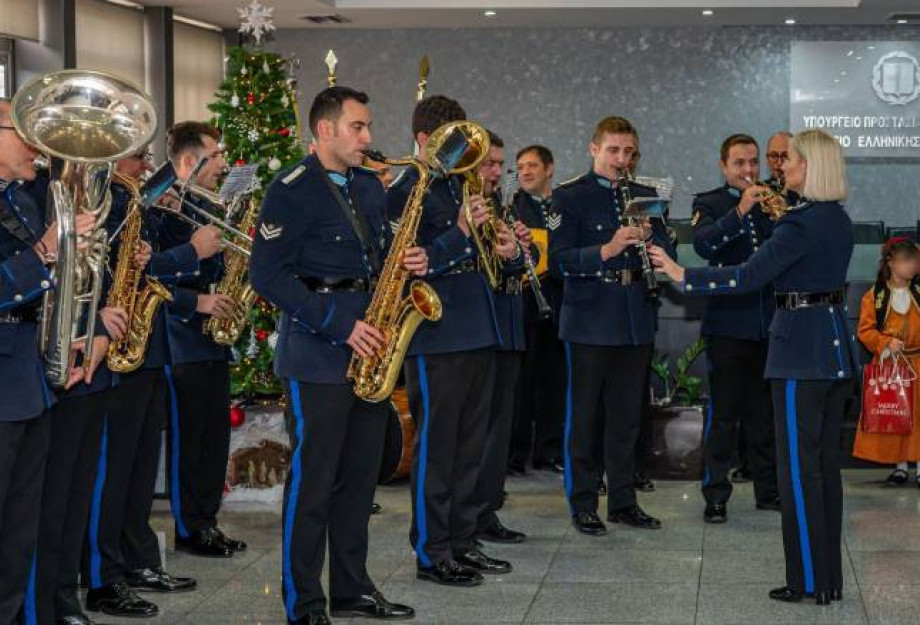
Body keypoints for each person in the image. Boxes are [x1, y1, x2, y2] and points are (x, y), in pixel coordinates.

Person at [651, 129, 858, 606]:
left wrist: (683, 274)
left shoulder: (801, 223)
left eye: (793, 161)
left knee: (798, 473)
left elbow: (748, 276)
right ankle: (827, 579)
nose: (783, 167)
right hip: (830, 349)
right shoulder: (837, 220)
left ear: (812, 166)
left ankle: (806, 581)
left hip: (797, 352)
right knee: (824, 470)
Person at [251, 86, 417, 624]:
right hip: (319, 354)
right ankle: (304, 601)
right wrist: (340, 325)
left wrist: (409, 258)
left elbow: (377, 258)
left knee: (358, 480)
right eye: (358, 127)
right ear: (326, 130)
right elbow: (267, 275)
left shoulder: (369, 186)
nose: (368, 137)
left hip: (370, 353)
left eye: (367, 127)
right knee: (314, 482)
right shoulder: (290, 189)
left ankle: (352, 588)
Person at [85, 152, 223, 618]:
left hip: (148, 347)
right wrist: (189, 253)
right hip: (116, 351)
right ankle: (103, 577)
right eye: (138, 155)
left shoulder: (138, 204)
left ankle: (138, 559)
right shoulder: (103, 201)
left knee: (141, 468)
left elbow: (151, 271)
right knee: (113, 469)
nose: (147, 165)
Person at [388, 95, 518, 586]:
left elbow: (478, 256)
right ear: (424, 141)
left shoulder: (459, 184)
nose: (463, 153)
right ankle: (431, 548)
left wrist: (501, 245)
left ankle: (463, 540)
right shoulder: (405, 189)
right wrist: (463, 232)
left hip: (478, 326)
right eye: (451, 143)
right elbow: (405, 259)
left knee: (470, 446)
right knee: (437, 447)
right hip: (435, 332)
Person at [551, 115, 675, 536]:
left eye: (628, 153)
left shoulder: (646, 196)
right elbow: (560, 260)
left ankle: (624, 501)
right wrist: (608, 248)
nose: (621, 160)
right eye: (613, 151)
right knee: (585, 417)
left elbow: (669, 248)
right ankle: (583, 502)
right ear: (594, 149)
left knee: (627, 418)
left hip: (634, 317)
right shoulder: (570, 197)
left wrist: (655, 241)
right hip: (589, 318)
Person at [0, 98, 87, 623]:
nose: (36, 145)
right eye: (21, 131)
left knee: (18, 531)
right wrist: (39, 255)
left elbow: (44, 295)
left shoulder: (24, 202)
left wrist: (66, 338)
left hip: (28, 381)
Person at [159, 121, 247, 558]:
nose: (223, 165)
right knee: (188, 442)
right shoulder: (162, 207)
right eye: (215, 157)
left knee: (213, 439)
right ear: (190, 161)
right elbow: (148, 277)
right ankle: (189, 528)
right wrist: (197, 302)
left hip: (211, 341)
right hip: (180, 338)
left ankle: (206, 521)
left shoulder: (203, 204)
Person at [691, 134, 780, 524]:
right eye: (740, 163)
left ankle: (768, 490)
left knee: (764, 416)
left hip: (769, 324)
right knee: (724, 415)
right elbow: (705, 246)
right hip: (728, 325)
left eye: (753, 162)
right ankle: (715, 495)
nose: (748, 170)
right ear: (724, 166)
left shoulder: (775, 200)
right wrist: (740, 211)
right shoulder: (708, 202)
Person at [474, 131, 529, 544]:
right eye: (489, 163)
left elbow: (520, 268)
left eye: (499, 164)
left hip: (508, 326)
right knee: (479, 432)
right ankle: (471, 516)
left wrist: (520, 249)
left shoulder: (498, 206)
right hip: (481, 331)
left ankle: (487, 510)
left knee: (499, 430)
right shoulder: (468, 208)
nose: (497, 171)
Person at [509, 144, 566, 476]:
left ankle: (549, 452)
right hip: (525, 307)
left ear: (549, 168)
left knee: (555, 384)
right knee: (522, 385)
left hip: (560, 305)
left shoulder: (564, 205)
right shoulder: (512, 208)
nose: (525, 172)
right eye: (520, 167)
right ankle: (515, 456)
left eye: (532, 166)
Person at [852, 237, 920, 485]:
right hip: (892, 366)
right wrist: (885, 343)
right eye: (906, 260)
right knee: (895, 415)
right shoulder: (875, 296)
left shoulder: (918, 291)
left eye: (915, 261)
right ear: (891, 263)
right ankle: (900, 465)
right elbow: (865, 331)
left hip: (919, 362)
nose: (912, 266)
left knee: (919, 416)